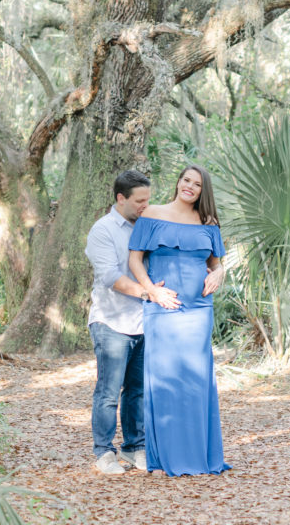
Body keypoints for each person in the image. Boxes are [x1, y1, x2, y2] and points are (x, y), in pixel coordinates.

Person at [128, 163, 231, 476]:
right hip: (163, 308)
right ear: (178, 182)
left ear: (203, 190)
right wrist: (151, 292)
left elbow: (217, 264)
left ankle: (199, 456)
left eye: (197, 184)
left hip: (199, 310)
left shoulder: (208, 222)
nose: (190, 186)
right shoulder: (152, 214)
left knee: (196, 381)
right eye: (186, 180)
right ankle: (163, 457)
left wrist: (220, 274)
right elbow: (134, 260)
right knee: (165, 380)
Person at [85, 169, 180, 475]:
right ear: (120, 198)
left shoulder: (148, 226)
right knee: (109, 392)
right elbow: (111, 276)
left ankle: (132, 447)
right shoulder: (102, 230)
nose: (145, 205)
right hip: (111, 322)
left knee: (137, 391)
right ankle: (104, 452)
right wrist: (148, 293)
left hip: (144, 322)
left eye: (148, 200)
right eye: (140, 200)